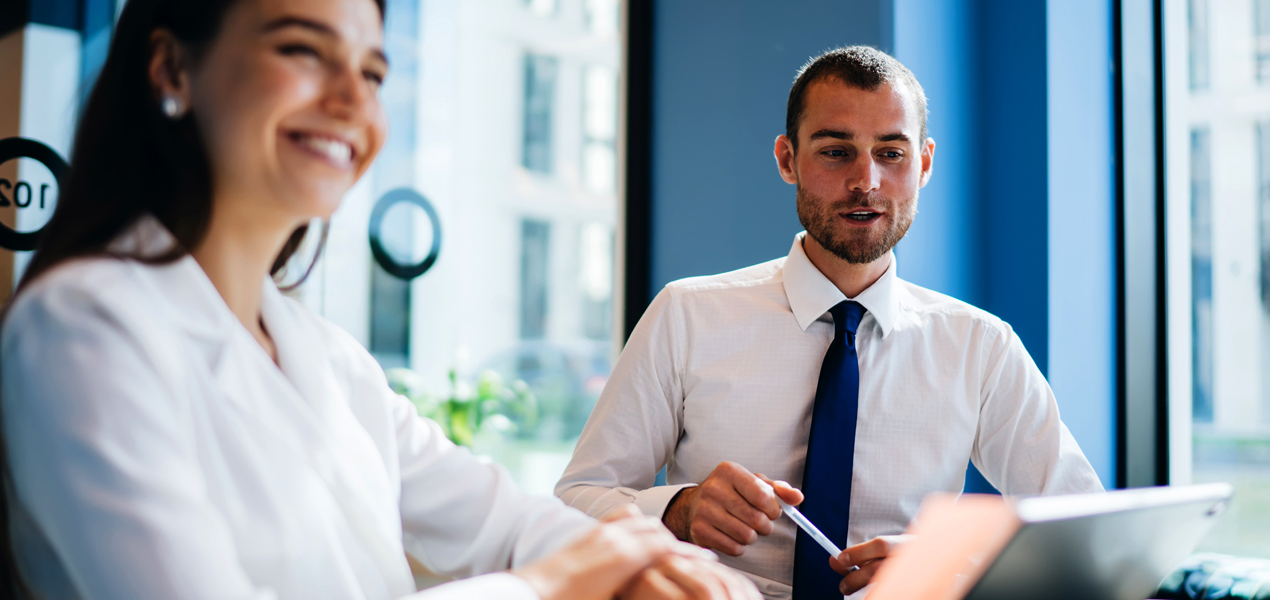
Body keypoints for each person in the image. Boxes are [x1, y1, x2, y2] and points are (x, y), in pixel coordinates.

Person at [0, 1, 761, 599]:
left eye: (370, 73)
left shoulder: (324, 355)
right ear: (171, 68)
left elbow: (503, 520)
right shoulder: (80, 327)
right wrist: (548, 588)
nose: (348, 100)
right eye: (301, 49)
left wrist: (654, 570)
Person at [555, 45, 1105, 600]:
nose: (866, 181)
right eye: (837, 152)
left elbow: (1081, 531)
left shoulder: (980, 347)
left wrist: (950, 567)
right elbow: (577, 499)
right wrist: (675, 510)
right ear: (788, 159)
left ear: (925, 163)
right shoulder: (686, 315)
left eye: (891, 153)